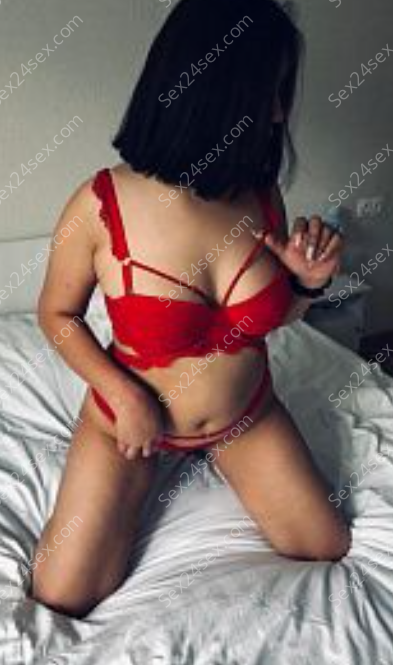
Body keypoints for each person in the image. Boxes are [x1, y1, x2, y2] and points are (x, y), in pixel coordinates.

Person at [32, 0, 351, 618]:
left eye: (281, 94)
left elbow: (274, 317)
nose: (279, 112)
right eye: (268, 92)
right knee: (63, 594)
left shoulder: (261, 194)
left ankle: (218, 458)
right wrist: (125, 398)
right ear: (210, 92)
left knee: (324, 546)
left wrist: (306, 285)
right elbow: (57, 315)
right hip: (129, 426)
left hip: (244, 416)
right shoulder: (101, 203)